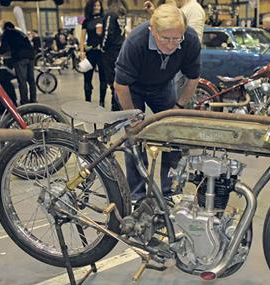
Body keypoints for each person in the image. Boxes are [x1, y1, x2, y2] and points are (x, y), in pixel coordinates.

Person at [114, 4, 201, 200]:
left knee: (174, 134)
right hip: (132, 88)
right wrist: (132, 118)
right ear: (152, 30)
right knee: (135, 138)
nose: (171, 44)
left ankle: (172, 194)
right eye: (165, 38)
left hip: (162, 86)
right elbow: (120, 85)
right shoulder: (136, 41)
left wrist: (178, 107)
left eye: (176, 38)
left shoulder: (190, 40)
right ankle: (137, 196)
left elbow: (193, 78)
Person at [0, 21, 36, 105]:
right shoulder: (20, 32)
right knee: (31, 80)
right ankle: (33, 99)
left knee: (22, 81)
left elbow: (4, 47)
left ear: (5, 28)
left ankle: (24, 102)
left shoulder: (7, 33)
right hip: (31, 56)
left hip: (20, 58)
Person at [101, 0, 128, 111]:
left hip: (110, 51)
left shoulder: (110, 13)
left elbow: (108, 32)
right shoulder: (122, 13)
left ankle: (115, 106)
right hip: (121, 49)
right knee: (119, 79)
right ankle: (119, 104)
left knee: (112, 81)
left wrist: (103, 46)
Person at [80, 0, 107, 107]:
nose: (97, 7)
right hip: (90, 52)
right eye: (95, 5)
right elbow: (82, 38)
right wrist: (81, 51)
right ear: (91, 7)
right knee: (87, 78)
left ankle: (102, 102)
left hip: (102, 53)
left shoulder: (104, 19)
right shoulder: (86, 21)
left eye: (99, 5)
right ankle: (87, 101)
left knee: (103, 78)